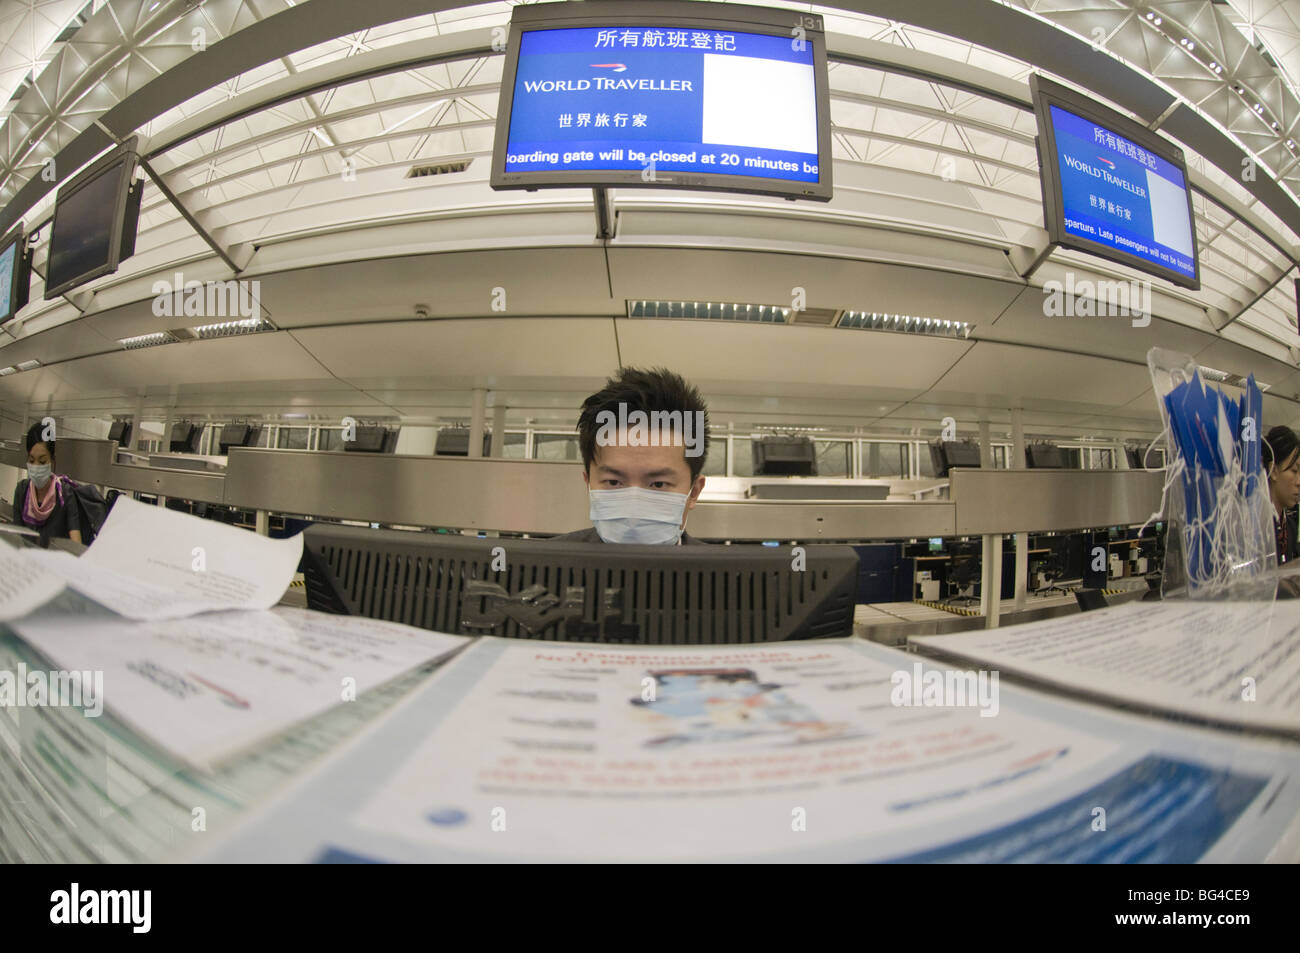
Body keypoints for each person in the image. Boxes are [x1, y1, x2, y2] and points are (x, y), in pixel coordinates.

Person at [554, 366, 710, 544]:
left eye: (658, 484)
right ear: (588, 484)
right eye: (613, 482)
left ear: (694, 492)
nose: (633, 513)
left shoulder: (724, 571)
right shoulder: (544, 566)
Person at [13, 422, 82, 543]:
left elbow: (76, 541)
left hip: (53, 561)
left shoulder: (65, 494)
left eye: (43, 461)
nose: (36, 466)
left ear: (53, 461)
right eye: (31, 460)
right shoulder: (22, 490)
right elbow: (16, 538)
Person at [1262, 424, 1300, 564]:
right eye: (1294, 471)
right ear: (1274, 470)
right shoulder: (1255, 526)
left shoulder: (1290, 527)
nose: (1299, 482)